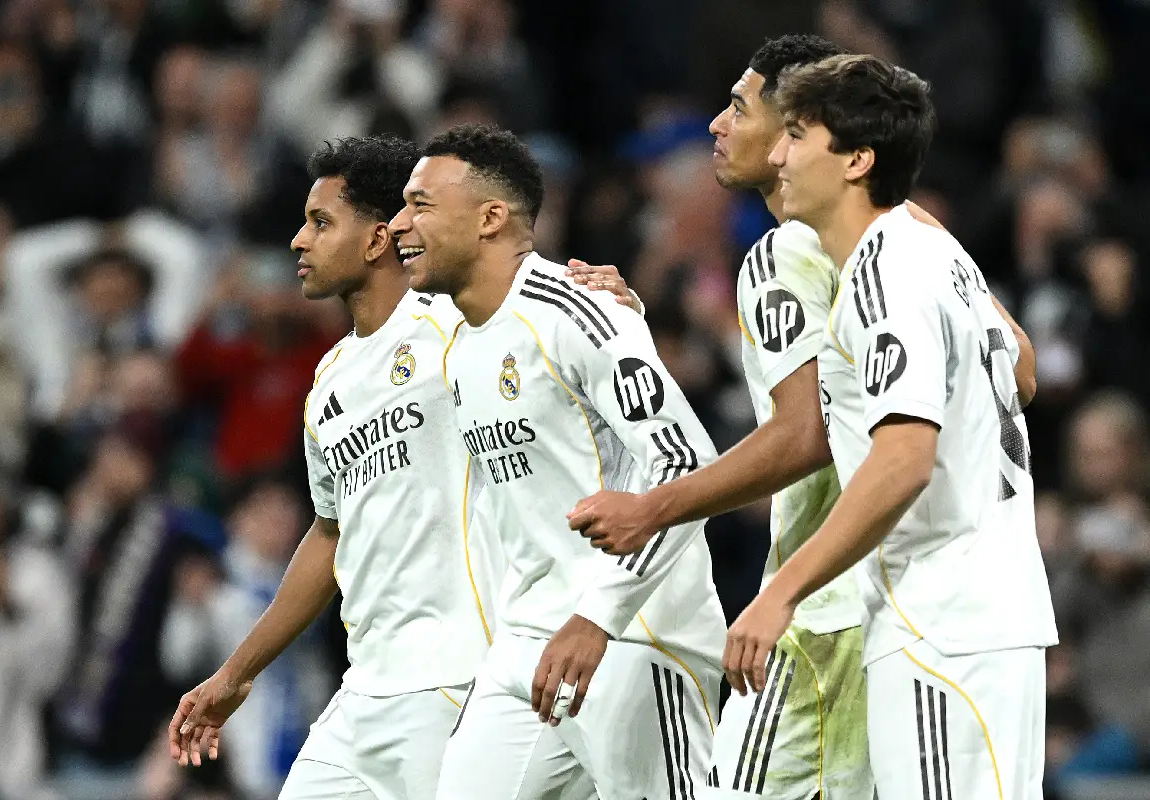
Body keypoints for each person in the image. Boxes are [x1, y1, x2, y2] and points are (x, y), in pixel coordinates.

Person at [565, 34, 1038, 800]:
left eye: (768, 120)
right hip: (948, 600)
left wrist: (662, 513)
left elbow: (819, 436)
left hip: (855, 608)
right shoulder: (922, 238)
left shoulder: (813, 257)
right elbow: (1018, 367)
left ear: (849, 155)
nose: (721, 126)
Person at [167, 134, 636, 800]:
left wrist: (612, 298)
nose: (299, 242)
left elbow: (540, 300)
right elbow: (331, 535)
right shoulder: (329, 381)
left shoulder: (458, 323)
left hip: (460, 679)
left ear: (379, 238)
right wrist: (236, 674)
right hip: (363, 691)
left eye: (320, 222)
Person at [716, 54, 1056, 799]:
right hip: (991, 613)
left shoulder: (882, 274)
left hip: (940, 617)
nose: (777, 153)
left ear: (857, 160)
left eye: (798, 135)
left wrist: (782, 592)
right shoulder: (935, 252)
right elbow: (1023, 373)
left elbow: (903, 459)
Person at [389, 123, 726, 800]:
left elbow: (686, 460)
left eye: (421, 204)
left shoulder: (581, 312)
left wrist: (599, 615)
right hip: (529, 640)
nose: (399, 224)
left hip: (635, 633)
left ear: (490, 217)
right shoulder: (459, 342)